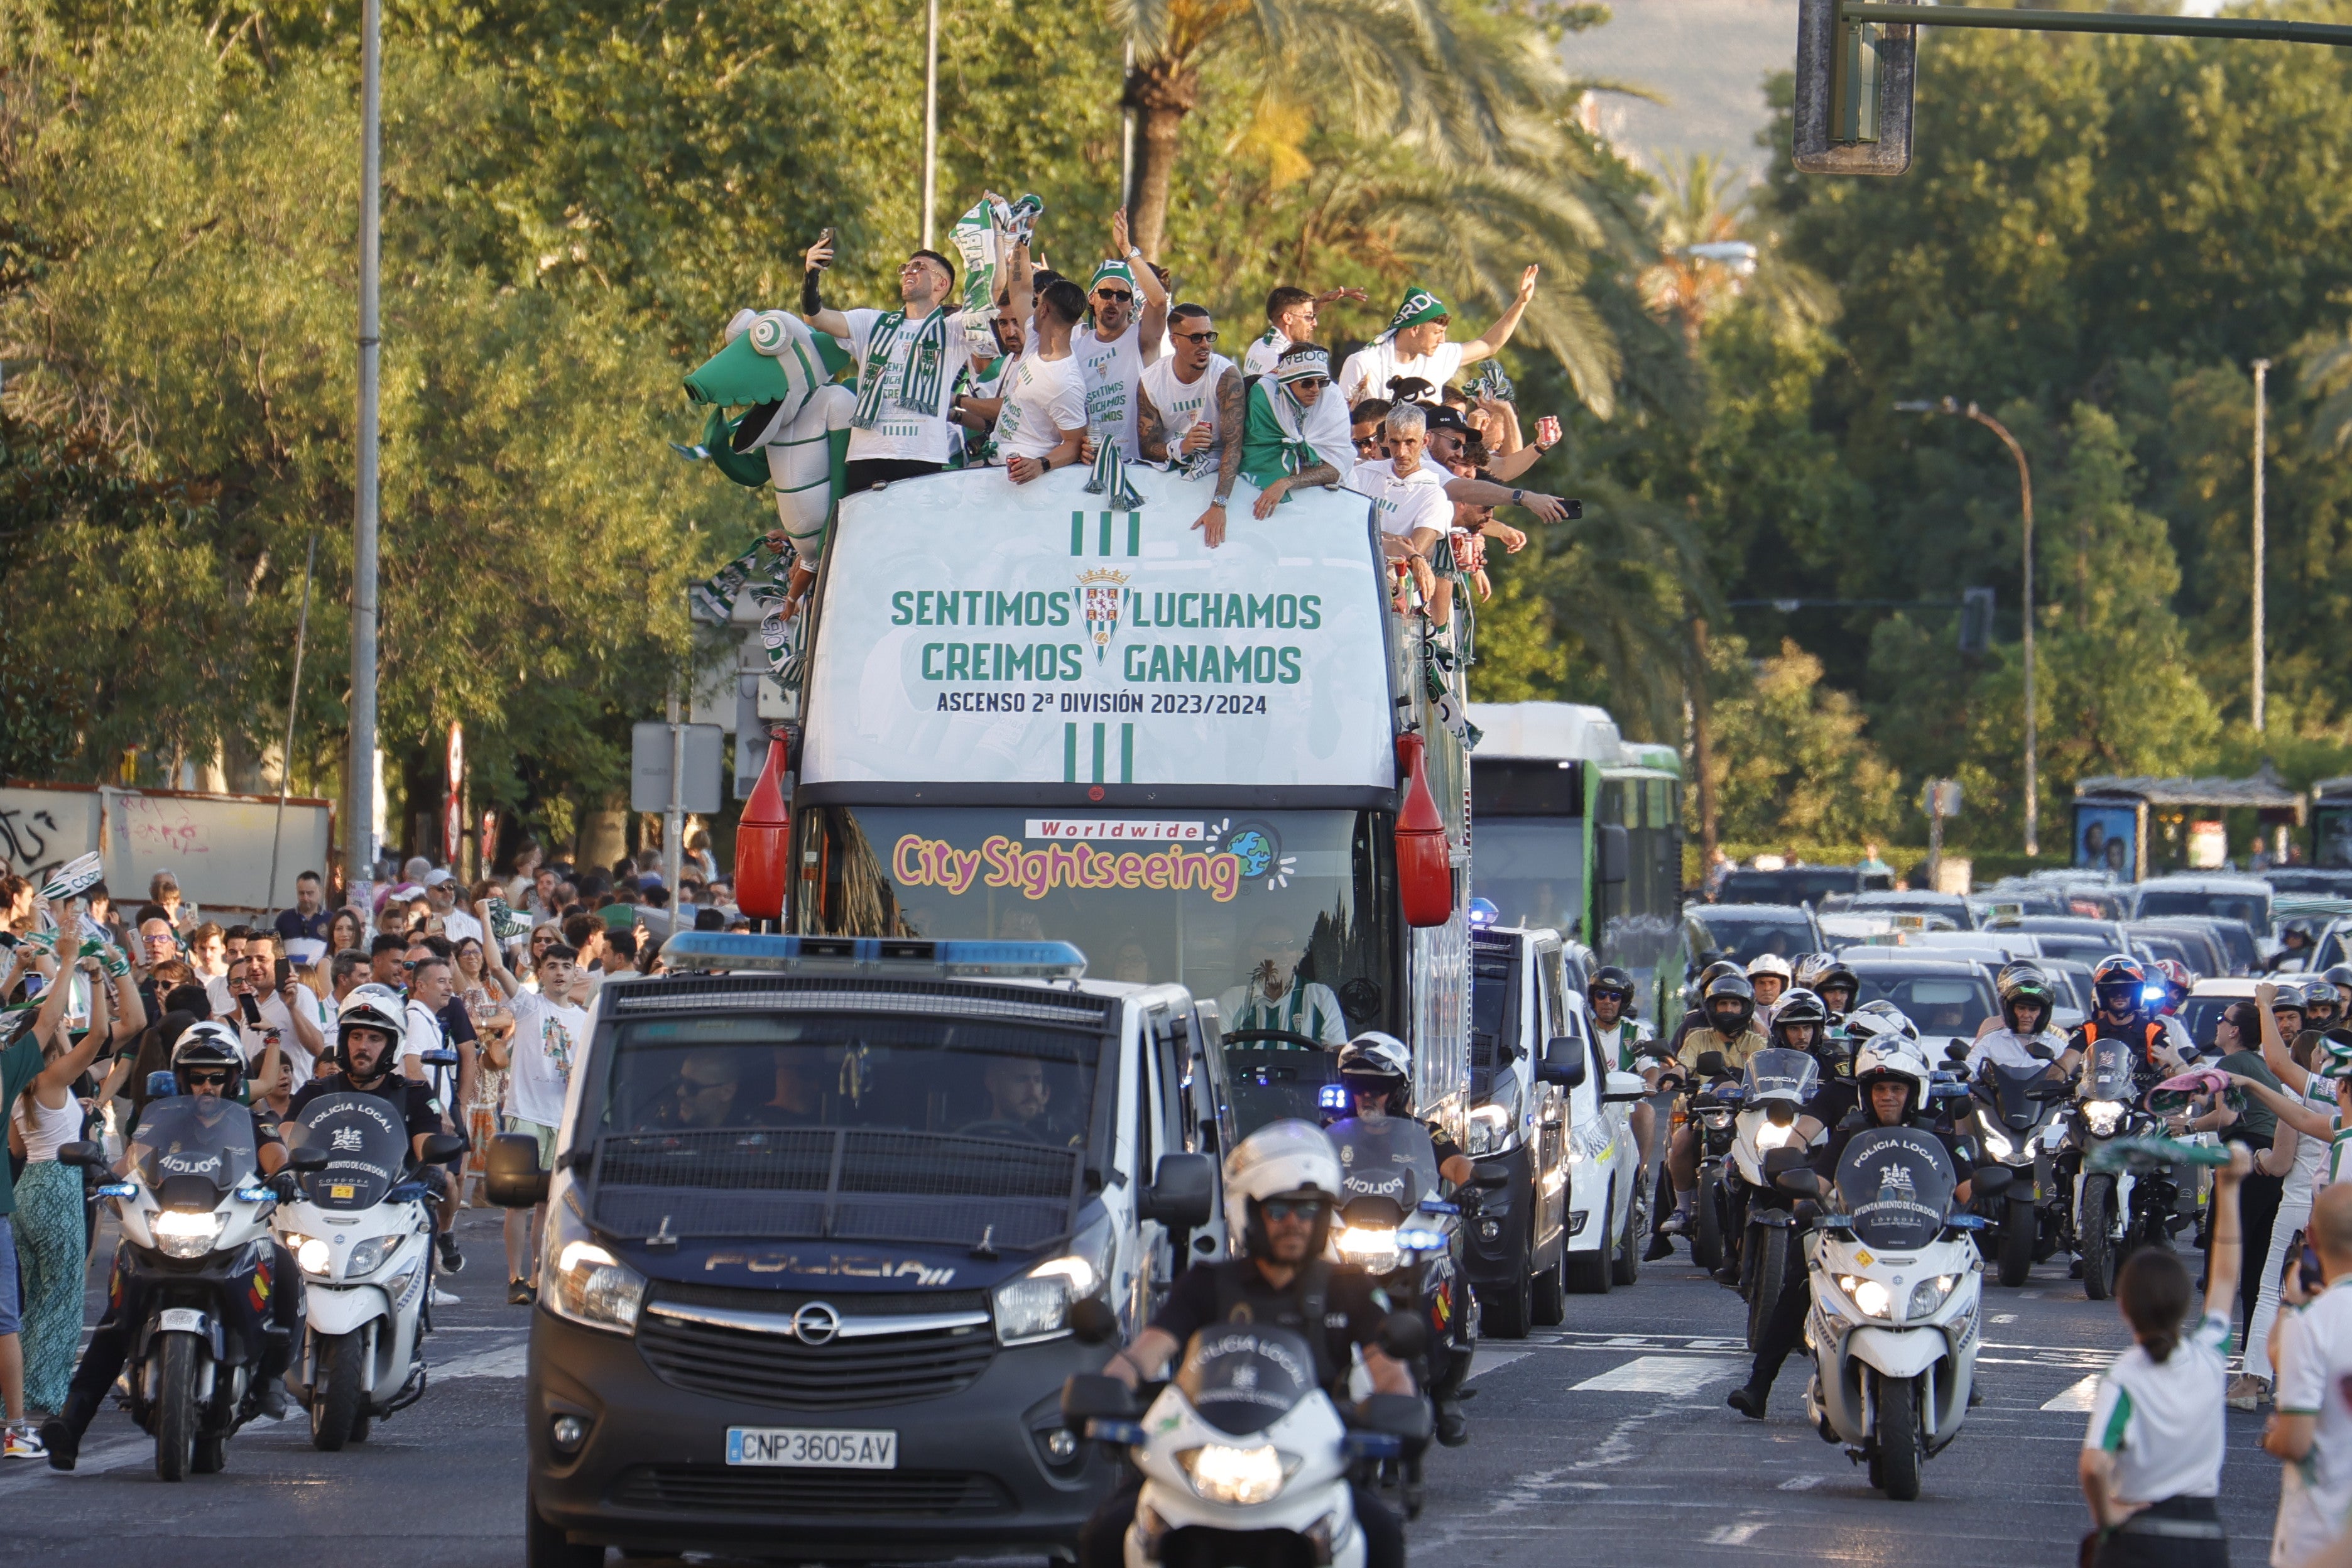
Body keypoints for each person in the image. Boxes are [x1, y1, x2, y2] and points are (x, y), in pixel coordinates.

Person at [1079, 1119, 1408, 1568]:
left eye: (1308, 1210)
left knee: (1381, 1535)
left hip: (1313, 1461)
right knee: (1108, 1534)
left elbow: (1390, 1370)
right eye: (1279, 1211)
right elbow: (1146, 1352)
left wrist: (1400, 1411)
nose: (1294, 1223)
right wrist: (1108, 1389)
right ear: (1248, 1212)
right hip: (1200, 1453)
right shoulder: (1206, 1283)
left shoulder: (1349, 1287)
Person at [42, 1023, 297, 1468]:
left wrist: (287, 1175)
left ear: (233, 1079)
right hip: (165, 1233)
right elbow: (130, 1162)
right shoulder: (160, 1122)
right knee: (116, 1320)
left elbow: (275, 1156)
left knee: (285, 1264)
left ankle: (271, 1378)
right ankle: (71, 1423)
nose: (207, 1086)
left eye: (217, 1077)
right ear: (181, 1079)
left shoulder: (252, 1122)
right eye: (197, 1076)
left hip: (225, 1235)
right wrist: (105, 1175)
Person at [1729, 1025, 1976, 1418]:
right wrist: (1805, 1193)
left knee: (1968, 1265)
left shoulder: (1935, 1133)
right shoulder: (1851, 1131)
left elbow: (1966, 1189)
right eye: (1880, 1090)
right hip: (1858, 1238)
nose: (1888, 1097)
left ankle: (1964, 1371)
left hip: (1923, 1240)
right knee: (1798, 1278)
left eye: (1897, 1089)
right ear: (1867, 1094)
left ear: (1913, 1093)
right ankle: (1760, 1384)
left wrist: (1980, 1196)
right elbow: (1821, 1181)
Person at [2077, 1146, 2248, 1568]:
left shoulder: (2126, 1377)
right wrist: (2229, 1187)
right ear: (2184, 1304)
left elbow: (2095, 1464)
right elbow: (2226, 1277)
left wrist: (2108, 1516)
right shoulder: (2209, 1356)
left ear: (2125, 1308)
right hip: (2205, 1539)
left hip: (2139, 1538)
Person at [3, 947, 116, 1454]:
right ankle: (44, 1391)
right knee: (63, 1297)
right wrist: (92, 979)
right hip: (56, 1185)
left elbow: (16, 1149)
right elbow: (98, 1037)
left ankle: (21, 1395)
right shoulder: (51, 1078)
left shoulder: (21, 1088)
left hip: (26, 1189)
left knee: (31, 1299)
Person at [798, 232, 967, 495]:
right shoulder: (872, 323)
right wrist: (811, 275)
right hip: (868, 456)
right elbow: (815, 318)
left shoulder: (952, 330)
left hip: (921, 457)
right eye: (906, 268)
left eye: (919, 267)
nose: (909, 272)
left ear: (941, 284)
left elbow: (988, 301)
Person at [1653, 972, 1772, 1258]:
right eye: (1723, 1005)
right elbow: (1683, 1065)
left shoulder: (1758, 1041)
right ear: (1712, 1008)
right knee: (1680, 1143)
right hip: (1702, 1111)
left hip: (1744, 1116)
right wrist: (1673, 1075)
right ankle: (1682, 1207)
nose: (1729, 1011)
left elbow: (1766, 1073)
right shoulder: (1697, 1037)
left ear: (1746, 1008)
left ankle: (1764, 1203)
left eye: (1735, 1004)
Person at [2265, 1180, 2352, 1568]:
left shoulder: (2312, 1324)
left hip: (2318, 1535)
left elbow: (2296, 1442)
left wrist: (2273, 1437)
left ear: (2312, 1238)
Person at [494, 939, 585, 1303]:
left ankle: (538, 1274)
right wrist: (486, 917)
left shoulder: (584, 1018)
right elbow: (498, 968)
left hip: (562, 1119)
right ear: (541, 973)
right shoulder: (529, 1007)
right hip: (526, 1115)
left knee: (548, 1205)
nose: (559, 972)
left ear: (576, 972)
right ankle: (515, 1276)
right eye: (552, 966)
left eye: (566, 966)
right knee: (519, 1201)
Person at [1335, 271, 1540, 408]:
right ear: (1414, 329)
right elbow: (1345, 423)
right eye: (1437, 333)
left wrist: (1521, 303)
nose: (1442, 341)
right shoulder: (1363, 363)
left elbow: (1489, 345)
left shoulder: (1438, 356)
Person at [1137, 304, 1244, 544]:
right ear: (1174, 340)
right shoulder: (1151, 380)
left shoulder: (1226, 375)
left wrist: (1219, 505)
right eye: (1196, 338)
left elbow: (1234, 446)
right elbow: (1146, 446)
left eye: (1209, 336)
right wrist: (1181, 447)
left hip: (1219, 475)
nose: (1205, 344)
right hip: (1171, 477)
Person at [1070, 209, 1169, 464]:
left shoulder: (1141, 339)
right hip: (1092, 465)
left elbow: (1158, 303)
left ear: (1131, 304)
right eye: (1105, 293)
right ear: (1092, 297)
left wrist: (1128, 251)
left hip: (1139, 465)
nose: (1113, 301)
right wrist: (1076, 445)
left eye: (1123, 296)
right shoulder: (1076, 349)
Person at [1237, 341, 1353, 520]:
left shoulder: (1331, 398)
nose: (1315, 390)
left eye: (1321, 382)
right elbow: (1255, 455)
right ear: (1287, 383)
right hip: (1262, 499)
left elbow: (1337, 467)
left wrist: (1286, 482)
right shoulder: (1265, 397)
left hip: (1325, 503)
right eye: (1307, 383)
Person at [992, 275, 1088, 484]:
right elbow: (1019, 291)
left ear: (1044, 310)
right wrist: (1021, 244)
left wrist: (1041, 464)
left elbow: (1074, 443)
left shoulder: (1065, 382)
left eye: (1037, 304)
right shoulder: (1035, 338)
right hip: (995, 468)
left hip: (1026, 484)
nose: (1032, 307)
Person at [223, 932, 329, 1112]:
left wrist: (292, 1007)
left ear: (280, 962)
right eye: (249, 959)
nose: (254, 966)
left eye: (261, 959)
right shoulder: (250, 1001)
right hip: (256, 1107)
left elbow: (318, 1048)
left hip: (292, 1103)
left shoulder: (300, 995)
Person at [1216, 918, 1347, 1046]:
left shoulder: (1320, 997)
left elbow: (1339, 1054)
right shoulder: (1232, 1000)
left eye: (1291, 946)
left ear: (1297, 953)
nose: (1285, 953)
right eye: (1274, 947)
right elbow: (1217, 1054)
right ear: (1254, 953)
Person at [2072, 953, 2187, 1089]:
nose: (2119, 995)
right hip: (2092, 1102)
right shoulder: (2088, 1030)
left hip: (2140, 1106)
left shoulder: (2153, 1031)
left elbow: (2170, 1069)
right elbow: (2066, 1061)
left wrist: (2174, 1065)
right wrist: (2054, 1079)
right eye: (2112, 990)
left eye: (2126, 990)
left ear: (2136, 994)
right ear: (2102, 994)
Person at [1587, 966, 1662, 1168]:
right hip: (1587, 1104)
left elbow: (1650, 1067)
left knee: (1646, 1112)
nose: (1607, 1002)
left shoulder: (1636, 1032)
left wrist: (1650, 1085)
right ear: (1593, 998)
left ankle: (1639, 1176)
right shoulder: (1581, 1030)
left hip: (1625, 1105)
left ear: (1623, 1002)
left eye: (1614, 997)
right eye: (1601, 995)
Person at [1240, 285, 1368, 379]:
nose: (1315, 323)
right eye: (1308, 317)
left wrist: (1322, 302)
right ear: (1288, 318)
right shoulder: (1285, 360)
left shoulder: (1259, 345)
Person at [1966, 962, 2071, 1076]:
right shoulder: (1990, 1041)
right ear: (2010, 1010)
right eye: (2021, 1008)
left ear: (2042, 1013)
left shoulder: (2056, 1045)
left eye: (2033, 1009)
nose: (2026, 1015)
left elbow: (2071, 1076)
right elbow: (1971, 1069)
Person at [963, 1056, 1078, 1145]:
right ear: (992, 1083)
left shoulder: (1059, 1138)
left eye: (1037, 1080)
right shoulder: (964, 1137)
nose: (1032, 1091)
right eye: (1021, 1080)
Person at [424, 870, 482, 945]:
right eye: (441, 888)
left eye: (450, 887)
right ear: (428, 893)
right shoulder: (422, 921)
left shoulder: (470, 923)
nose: (447, 892)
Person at [275, 869, 332, 945]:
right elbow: (275, 949)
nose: (305, 898)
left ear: (320, 892)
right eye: (302, 893)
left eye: (310, 893)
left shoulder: (331, 920)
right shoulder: (284, 918)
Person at [1746, 952, 1792, 1022]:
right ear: (1752, 986)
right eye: (1761, 983)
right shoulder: (1743, 1015)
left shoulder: (1793, 1014)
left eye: (1772, 983)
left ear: (1783, 987)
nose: (1767, 988)